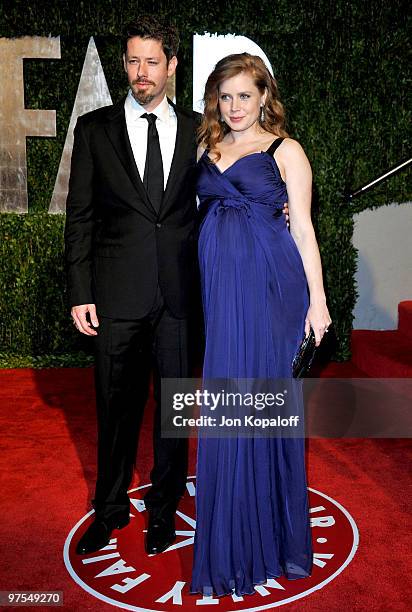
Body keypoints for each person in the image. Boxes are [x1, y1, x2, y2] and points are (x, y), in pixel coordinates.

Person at [190, 53, 332, 597]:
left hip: (273, 289)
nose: (235, 107)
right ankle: (232, 541)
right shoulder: (205, 148)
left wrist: (316, 303)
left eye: (244, 96)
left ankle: (270, 540)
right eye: (225, 97)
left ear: (264, 97)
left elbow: (305, 230)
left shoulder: (285, 150)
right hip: (222, 294)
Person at [64, 15, 200, 556]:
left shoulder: (198, 129)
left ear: (171, 65)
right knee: (115, 411)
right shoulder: (95, 130)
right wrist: (80, 290)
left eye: (151, 61)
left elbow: (217, 201)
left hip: (180, 299)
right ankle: (110, 509)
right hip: (116, 297)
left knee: (175, 411)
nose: (140, 72)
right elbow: (81, 217)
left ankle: (164, 512)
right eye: (132, 61)